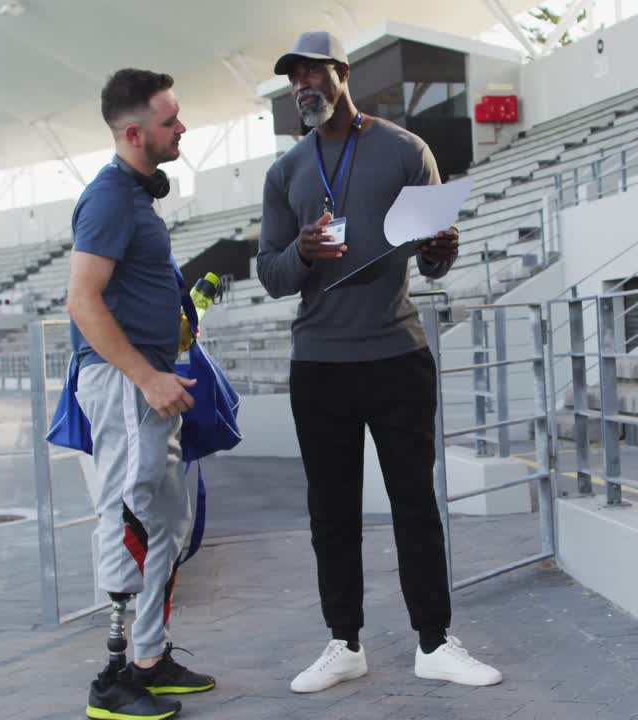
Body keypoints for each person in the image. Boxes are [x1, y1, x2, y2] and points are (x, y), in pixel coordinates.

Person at [258, 31, 503, 694]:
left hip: (397, 355)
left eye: (313, 73)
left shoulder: (404, 149)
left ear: (342, 73)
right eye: (293, 78)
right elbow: (270, 275)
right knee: (331, 515)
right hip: (320, 365)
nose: (303, 86)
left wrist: (441, 249)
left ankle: (434, 642)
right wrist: (304, 252)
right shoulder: (285, 173)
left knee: (415, 506)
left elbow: (433, 261)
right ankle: (344, 643)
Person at [67, 68, 215, 720]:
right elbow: (82, 300)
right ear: (134, 133)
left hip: (151, 380)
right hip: (128, 384)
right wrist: (145, 375)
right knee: (129, 518)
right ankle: (112, 676)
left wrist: (174, 333)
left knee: (164, 522)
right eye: (170, 120)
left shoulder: (137, 200)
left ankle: (149, 658)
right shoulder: (107, 199)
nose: (181, 127)